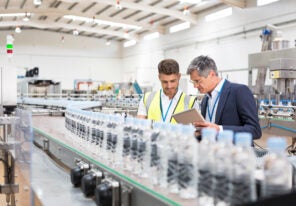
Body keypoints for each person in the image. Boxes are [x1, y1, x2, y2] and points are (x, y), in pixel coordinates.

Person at [186, 55, 261, 139]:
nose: (195, 86)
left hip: (235, 151)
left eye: (198, 81)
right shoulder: (205, 99)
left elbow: (255, 130)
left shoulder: (239, 91)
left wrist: (219, 129)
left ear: (212, 74)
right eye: (193, 82)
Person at [137, 59, 199, 123]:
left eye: (172, 81)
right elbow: (139, 126)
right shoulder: (147, 99)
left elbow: (196, 130)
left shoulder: (191, 102)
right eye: (165, 82)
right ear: (159, 77)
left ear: (179, 76)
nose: (169, 86)